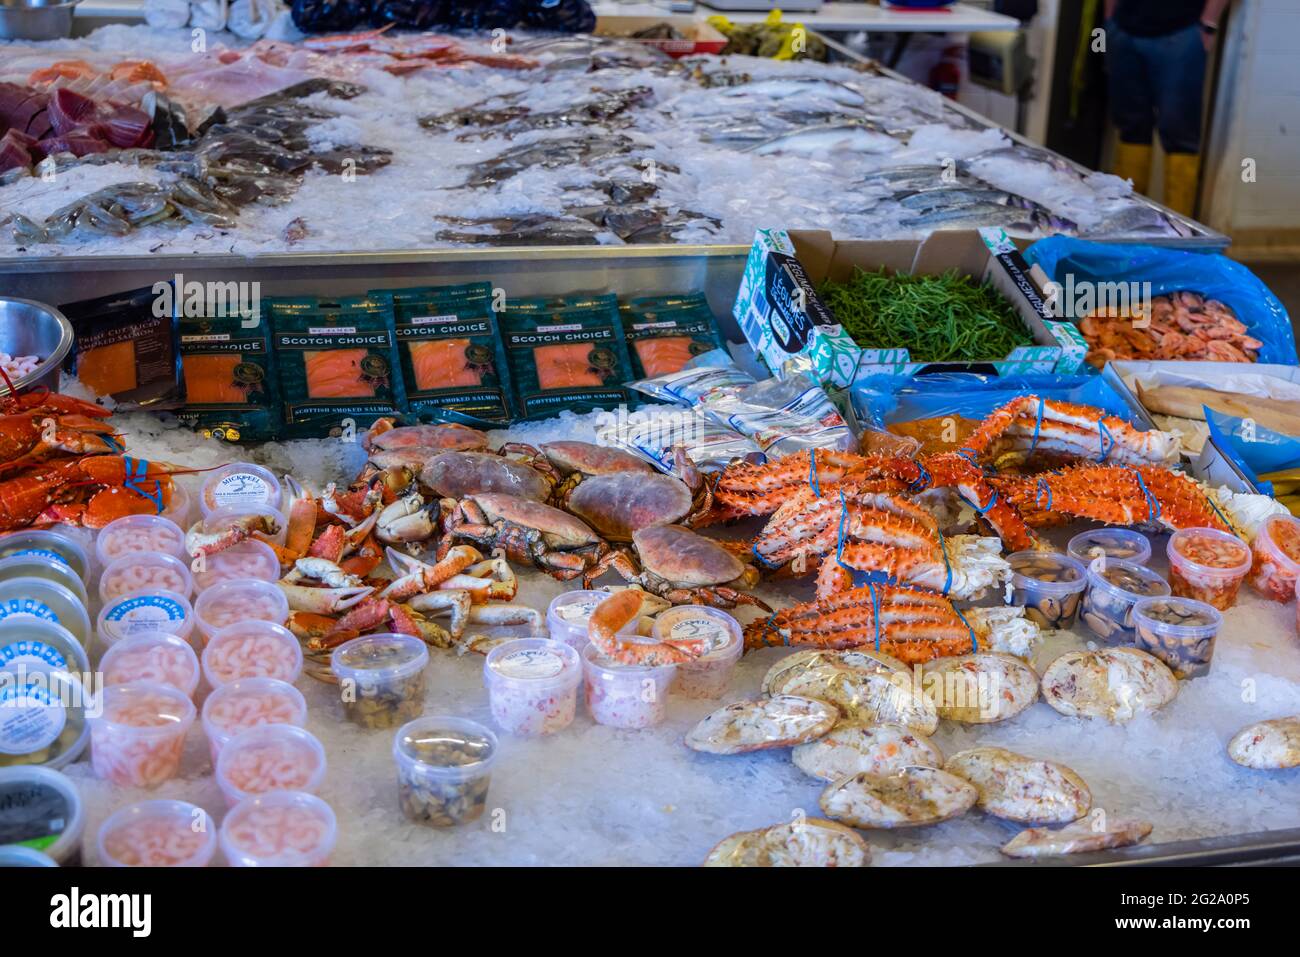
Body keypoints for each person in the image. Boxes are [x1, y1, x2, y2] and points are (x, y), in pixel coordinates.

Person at [1104, 0, 1229, 216]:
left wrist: (1209, 22)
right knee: (1130, 128)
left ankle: (1178, 233)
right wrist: (1109, 19)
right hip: (1123, 30)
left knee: (1179, 135)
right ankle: (1122, 221)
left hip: (1181, 34)